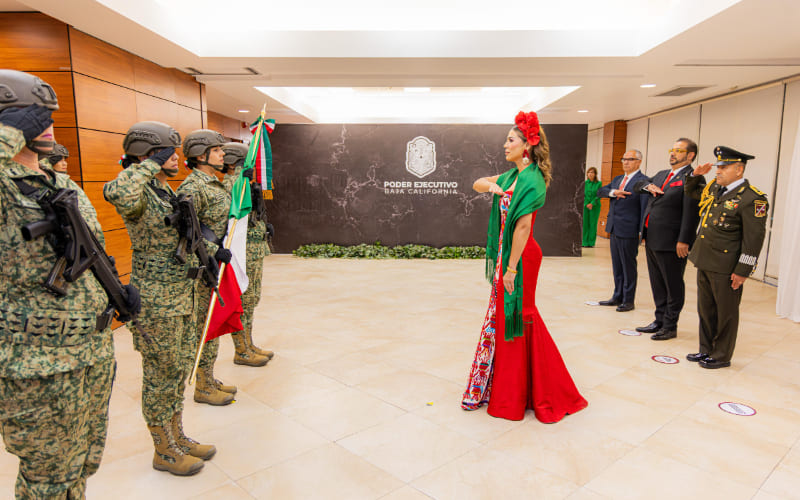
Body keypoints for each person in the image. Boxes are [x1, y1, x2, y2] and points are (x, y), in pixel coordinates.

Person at [0, 70, 126, 498]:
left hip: (90, 352)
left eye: (48, 116)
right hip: (39, 366)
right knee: (47, 480)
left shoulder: (62, 184)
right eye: (33, 117)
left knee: (83, 462)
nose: (47, 126)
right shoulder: (5, 190)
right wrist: (10, 132)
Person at [104, 122, 217, 476]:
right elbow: (116, 192)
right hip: (156, 301)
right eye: (166, 152)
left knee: (178, 369)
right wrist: (150, 163)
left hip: (183, 295)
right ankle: (163, 449)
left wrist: (215, 252)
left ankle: (178, 436)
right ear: (146, 154)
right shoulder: (138, 195)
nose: (174, 159)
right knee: (160, 374)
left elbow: (182, 239)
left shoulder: (166, 193)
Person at [462, 111, 587, 422]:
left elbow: (522, 227)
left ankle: (525, 390)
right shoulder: (512, 176)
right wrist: (491, 187)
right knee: (508, 316)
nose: (505, 145)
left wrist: (511, 269)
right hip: (509, 254)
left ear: (527, 146)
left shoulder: (531, 180)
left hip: (522, 256)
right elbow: (477, 183)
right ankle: (512, 386)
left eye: (511, 140)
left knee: (519, 314)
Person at [684, 146, 768, 369]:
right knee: (706, 309)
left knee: (726, 313)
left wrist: (742, 271)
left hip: (726, 266)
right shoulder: (715, 189)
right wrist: (695, 176)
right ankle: (706, 350)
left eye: (724, 167)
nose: (718, 171)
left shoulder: (752, 199)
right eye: (718, 166)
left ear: (739, 170)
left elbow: (754, 240)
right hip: (705, 259)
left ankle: (721, 355)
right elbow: (692, 192)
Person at [178, 129, 237, 405]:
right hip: (203, 267)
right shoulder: (193, 187)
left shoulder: (214, 182)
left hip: (215, 264)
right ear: (201, 156)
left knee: (211, 324)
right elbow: (189, 231)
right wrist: (215, 251)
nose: (222, 154)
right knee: (204, 327)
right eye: (217, 150)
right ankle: (201, 386)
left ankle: (208, 377)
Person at [633, 139, 704, 340]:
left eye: (678, 150)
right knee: (657, 283)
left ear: (690, 155)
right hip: (653, 238)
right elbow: (639, 184)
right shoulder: (663, 174)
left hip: (673, 241)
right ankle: (659, 320)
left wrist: (685, 240)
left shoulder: (693, 177)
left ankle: (670, 325)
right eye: (672, 149)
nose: (673, 154)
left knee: (672, 284)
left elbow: (692, 212)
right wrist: (648, 186)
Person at [221, 142, 274, 367]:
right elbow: (231, 205)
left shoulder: (245, 184)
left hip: (254, 249)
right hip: (242, 253)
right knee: (243, 299)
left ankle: (248, 343)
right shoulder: (229, 184)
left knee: (252, 299)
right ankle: (241, 350)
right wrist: (240, 178)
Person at [595, 150, 648, 312]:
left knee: (628, 266)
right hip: (614, 228)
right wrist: (613, 192)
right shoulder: (618, 179)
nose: (625, 162)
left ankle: (628, 300)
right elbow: (600, 191)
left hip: (629, 230)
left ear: (638, 162)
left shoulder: (643, 181)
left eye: (630, 159)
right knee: (617, 265)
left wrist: (643, 233)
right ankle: (617, 296)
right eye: (623, 159)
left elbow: (644, 209)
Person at [582, 166, 601, 247]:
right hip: (585, 206)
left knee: (593, 224)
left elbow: (599, 195)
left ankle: (591, 242)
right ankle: (584, 242)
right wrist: (586, 204)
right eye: (589, 172)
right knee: (585, 224)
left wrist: (592, 203)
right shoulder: (584, 183)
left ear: (595, 174)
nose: (590, 174)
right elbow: (582, 195)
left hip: (595, 207)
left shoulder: (599, 184)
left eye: (592, 172)